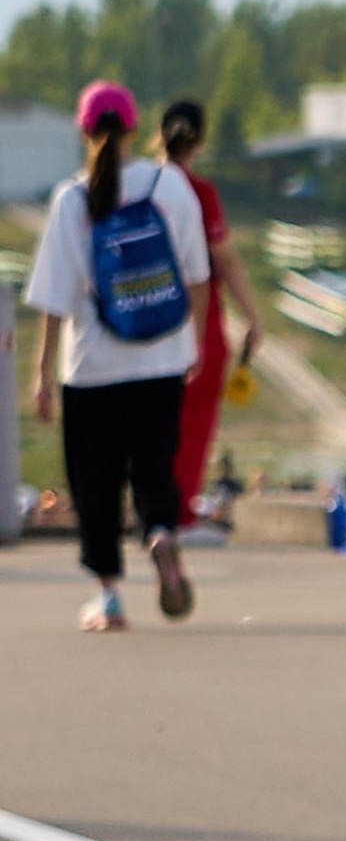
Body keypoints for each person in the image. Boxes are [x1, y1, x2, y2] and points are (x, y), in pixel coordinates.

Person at [25, 80, 212, 631]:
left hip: (92, 367)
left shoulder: (71, 200)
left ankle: (108, 598)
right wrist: (194, 343)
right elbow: (198, 274)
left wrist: (41, 375)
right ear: (134, 129)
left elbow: (54, 299)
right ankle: (160, 534)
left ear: (84, 131)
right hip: (161, 357)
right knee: (155, 467)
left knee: (95, 482)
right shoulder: (170, 184)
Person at [157, 97, 264, 534]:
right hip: (196, 320)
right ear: (199, 140)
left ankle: (154, 511)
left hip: (141, 318)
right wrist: (254, 316)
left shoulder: (138, 185)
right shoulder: (197, 192)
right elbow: (224, 260)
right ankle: (179, 514)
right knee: (194, 420)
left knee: (154, 423)